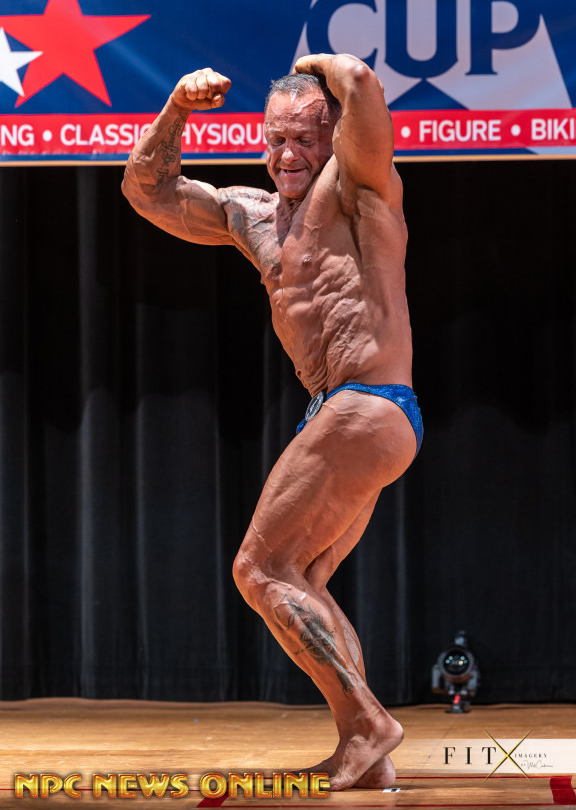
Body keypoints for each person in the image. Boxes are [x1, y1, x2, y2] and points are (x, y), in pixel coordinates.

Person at [122, 53, 423, 791]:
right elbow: (145, 190)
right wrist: (177, 106)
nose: (289, 155)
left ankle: (367, 724)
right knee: (304, 577)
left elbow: (360, 81)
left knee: (257, 569)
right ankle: (367, 753)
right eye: (277, 140)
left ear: (333, 139)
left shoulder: (360, 189)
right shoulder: (253, 217)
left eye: (306, 139)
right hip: (348, 413)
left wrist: (314, 66)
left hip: (367, 402)